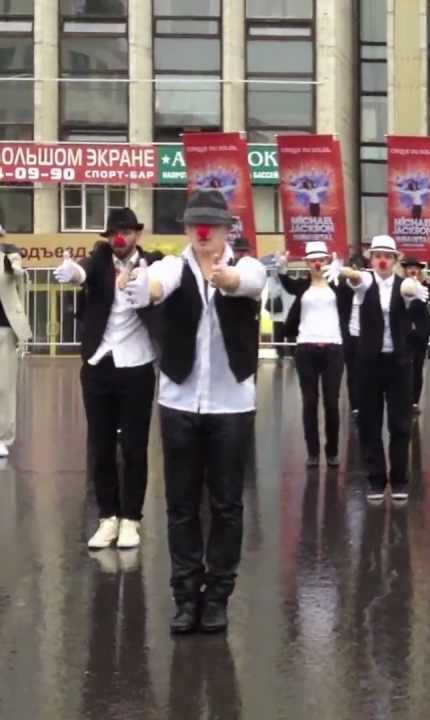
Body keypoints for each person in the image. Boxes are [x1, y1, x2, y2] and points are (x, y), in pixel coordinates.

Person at [121, 189, 266, 635]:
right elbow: (155, 286)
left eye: (212, 225)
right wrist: (137, 282)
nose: (204, 233)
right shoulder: (172, 266)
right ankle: (185, 597)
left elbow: (251, 283)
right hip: (179, 401)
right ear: (186, 230)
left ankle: (218, 596)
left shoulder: (247, 265)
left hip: (232, 405)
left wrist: (227, 281)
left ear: (227, 229)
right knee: (182, 505)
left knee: (226, 505)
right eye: (195, 225)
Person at [51, 207, 164, 549]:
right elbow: (83, 274)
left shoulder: (153, 263)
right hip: (99, 365)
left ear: (137, 235)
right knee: (100, 446)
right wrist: (72, 272)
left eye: (127, 232)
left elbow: (163, 283)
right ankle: (107, 518)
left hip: (138, 366)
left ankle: (131, 518)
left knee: (133, 447)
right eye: (115, 231)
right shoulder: (99, 259)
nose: (120, 238)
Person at [336, 235, 429, 501]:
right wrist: (347, 272)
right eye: (378, 255)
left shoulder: (407, 285)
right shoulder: (366, 283)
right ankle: (376, 480)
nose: (383, 260)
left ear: (396, 260)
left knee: (400, 424)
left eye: (387, 256)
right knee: (369, 422)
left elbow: (424, 326)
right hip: (369, 362)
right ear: (371, 259)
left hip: (399, 363)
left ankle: (399, 480)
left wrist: (413, 302)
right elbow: (356, 279)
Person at [275, 241, 349, 467]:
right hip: (306, 348)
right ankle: (313, 453)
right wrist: (281, 268)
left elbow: (353, 290)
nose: (318, 263)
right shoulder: (302, 287)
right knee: (309, 402)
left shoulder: (337, 286)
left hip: (333, 349)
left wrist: (342, 270)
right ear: (307, 263)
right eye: (313, 260)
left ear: (327, 261)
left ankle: (333, 451)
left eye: (322, 259)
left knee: (331, 403)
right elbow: (286, 284)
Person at [0, 228, 28, 459]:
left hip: (4, 329)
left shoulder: (8, 253)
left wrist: (15, 267)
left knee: (4, 385)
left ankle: (2, 437)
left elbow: (18, 270)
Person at [400, 257, 430, 415]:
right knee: (404, 367)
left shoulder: (424, 286)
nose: (413, 270)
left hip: (420, 332)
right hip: (404, 332)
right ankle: (404, 400)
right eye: (410, 267)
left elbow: (427, 298)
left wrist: (427, 283)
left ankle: (414, 401)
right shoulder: (399, 286)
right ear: (405, 270)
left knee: (418, 367)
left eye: (415, 267)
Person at [341, 251, 366, 418]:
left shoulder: (369, 288)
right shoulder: (344, 288)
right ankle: (355, 405)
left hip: (367, 335)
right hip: (350, 335)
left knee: (366, 371)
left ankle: (366, 403)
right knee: (352, 371)